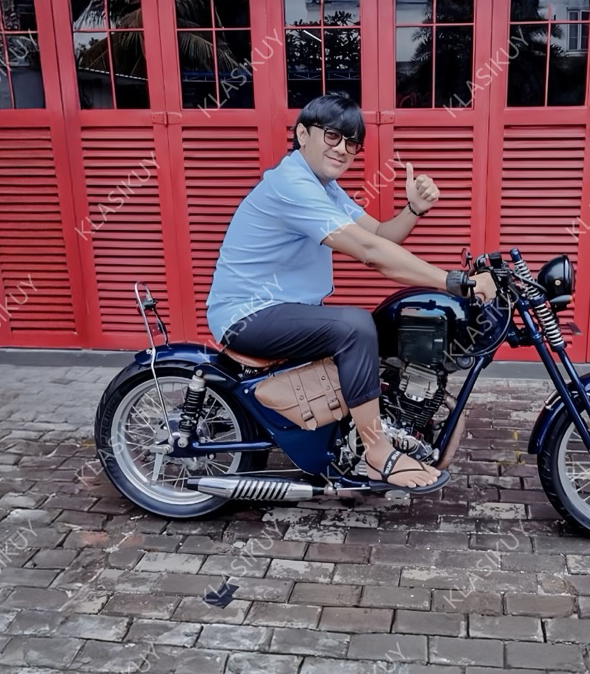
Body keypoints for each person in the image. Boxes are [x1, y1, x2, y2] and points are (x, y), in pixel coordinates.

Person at [207, 93, 495, 493]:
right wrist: (454, 281)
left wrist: (412, 209)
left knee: (377, 327)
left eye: (352, 142)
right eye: (332, 136)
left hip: (282, 309)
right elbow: (371, 252)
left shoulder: (325, 188)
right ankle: (377, 453)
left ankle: (373, 427)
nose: (343, 149)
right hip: (247, 315)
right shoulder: (292, 184)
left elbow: (379, 234)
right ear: (302, 134)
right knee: (355, 326)